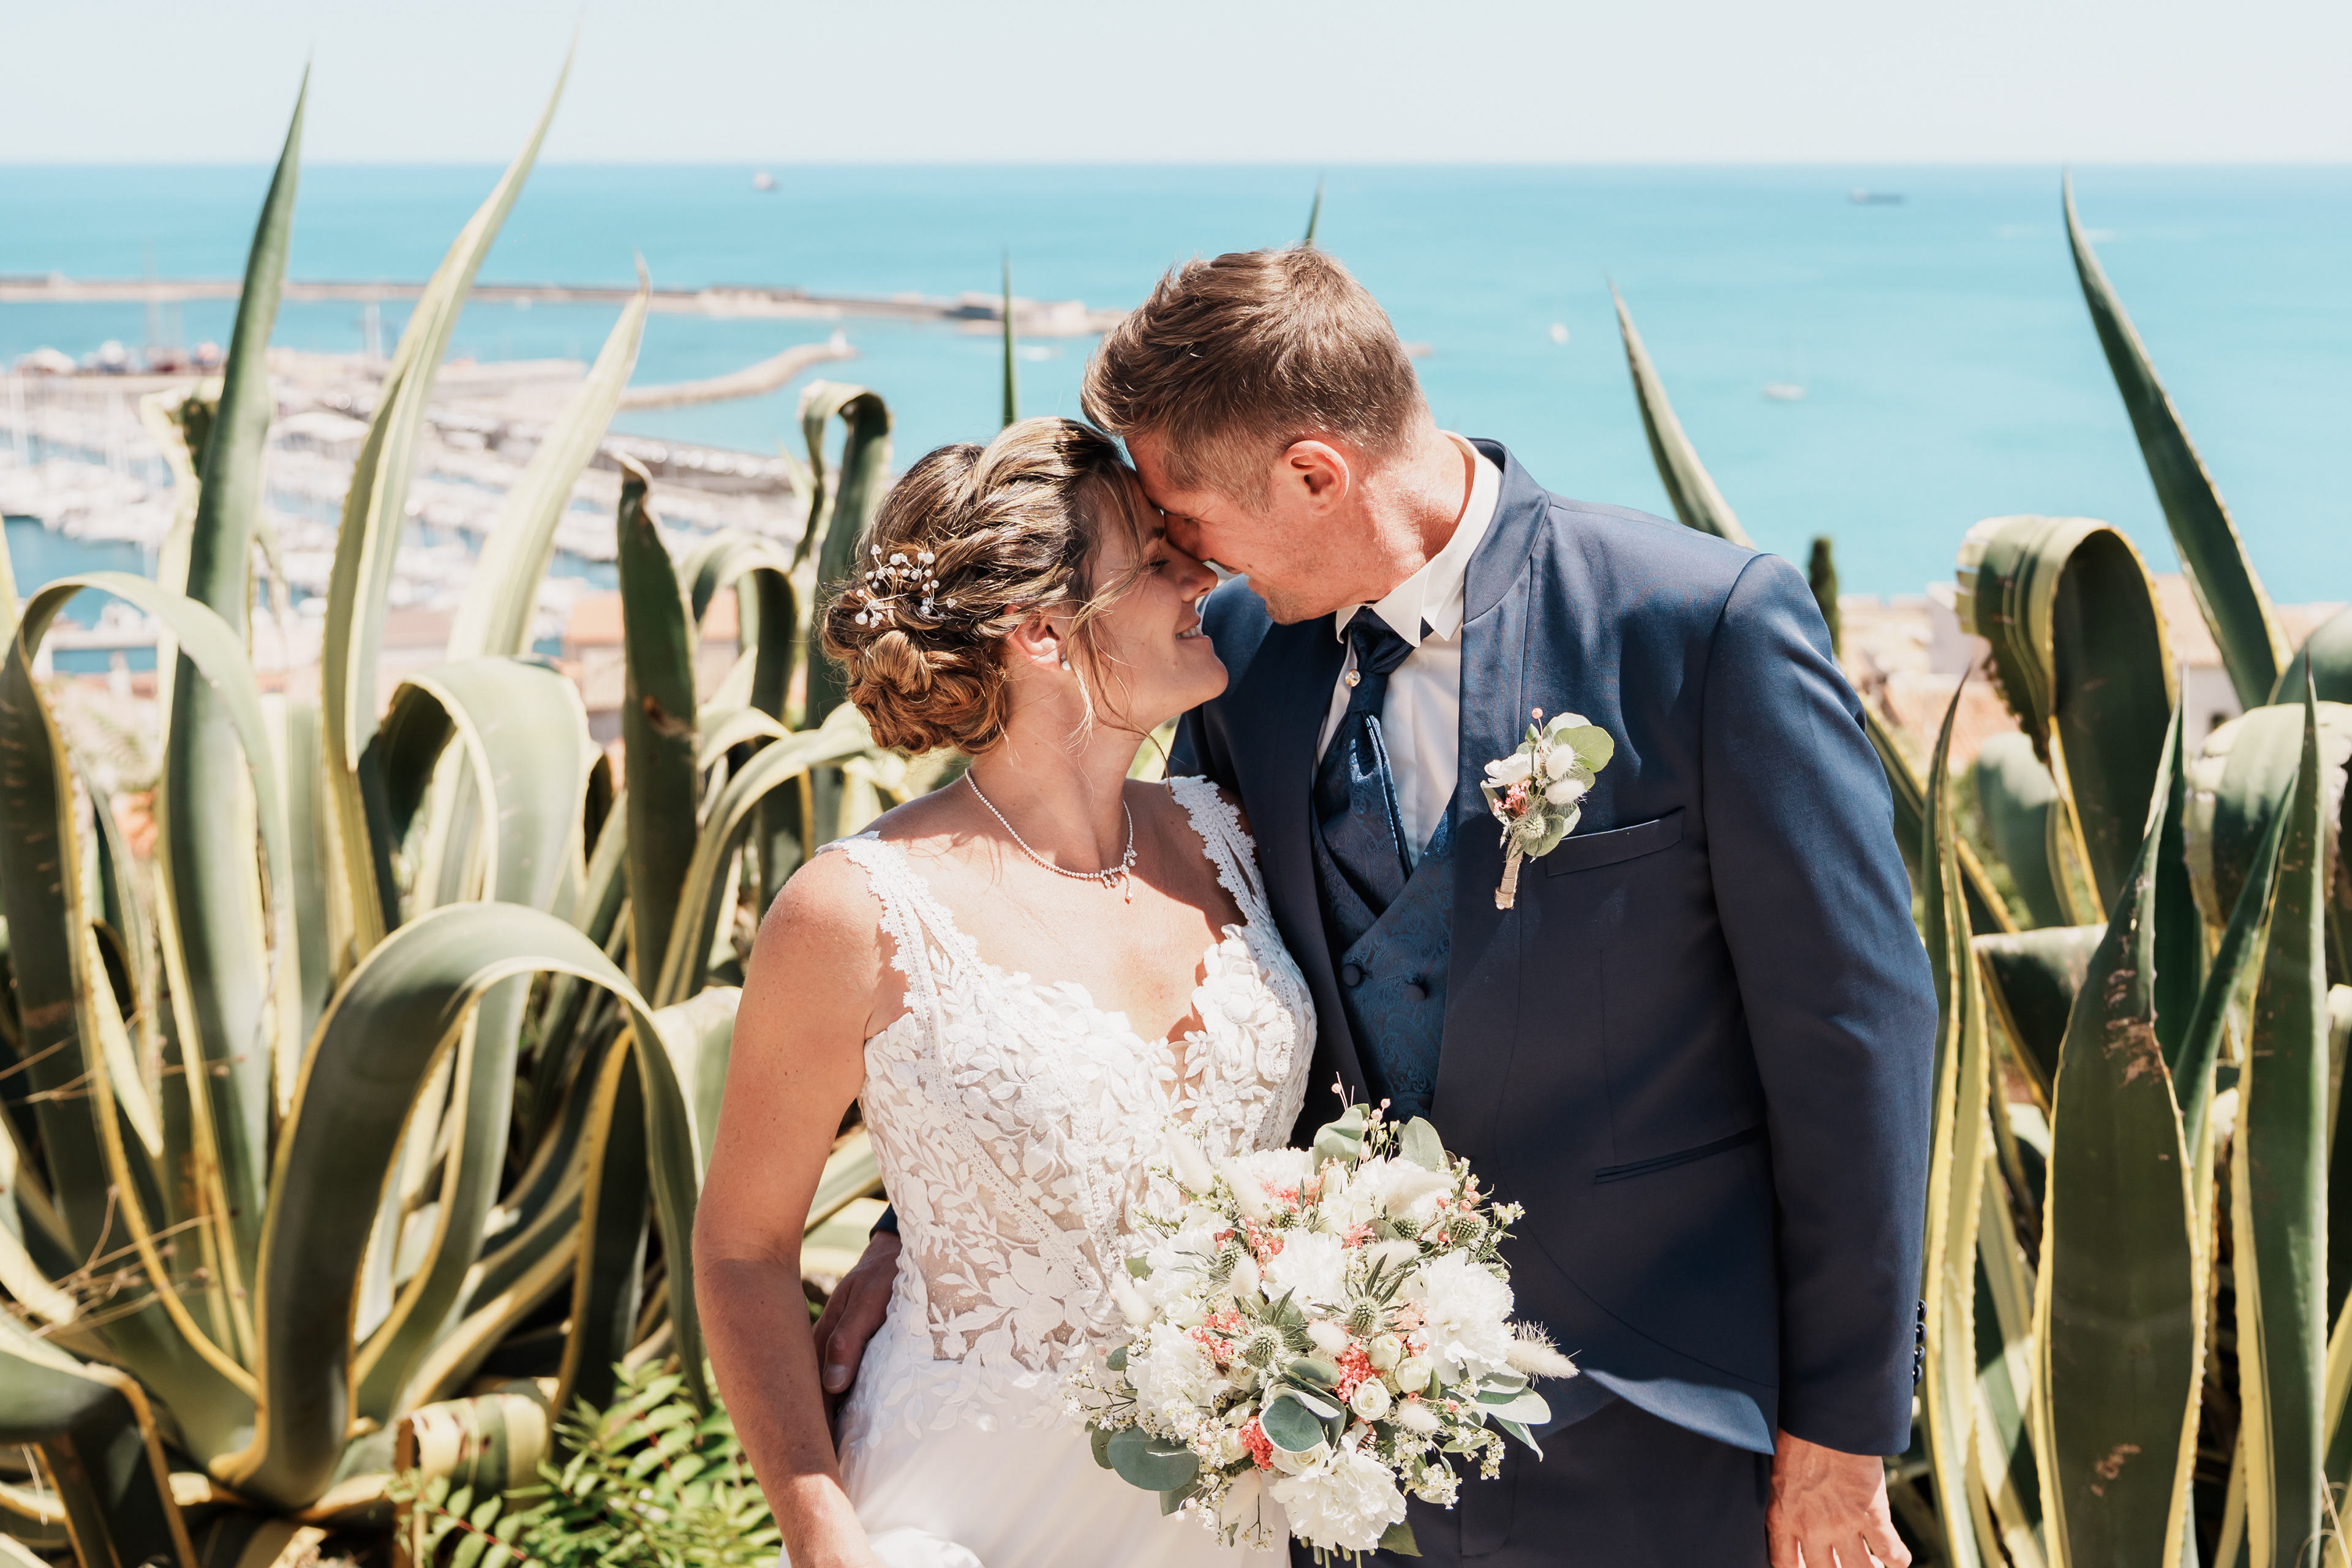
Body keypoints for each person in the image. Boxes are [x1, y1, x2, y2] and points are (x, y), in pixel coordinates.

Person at [815, 247, 1938, 1566]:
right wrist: (927, 1230)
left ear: (1313, 474)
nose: (1177, 554)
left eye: (1184, 513)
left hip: (1665, 1426)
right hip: (1334, 1460)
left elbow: (1857, 1037)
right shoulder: (1233, 662)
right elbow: (1151, 971)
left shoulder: (1696, 627)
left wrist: (1842, 1434)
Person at [696, 418, 1310, 1567]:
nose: (1205, 574)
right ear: (1040, 633)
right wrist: (825, 1539)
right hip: (966, 1511)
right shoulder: (853, 912)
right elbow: (741, 1249)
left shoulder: (1230, 833)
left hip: (1229, 1511)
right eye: (1155, 558)